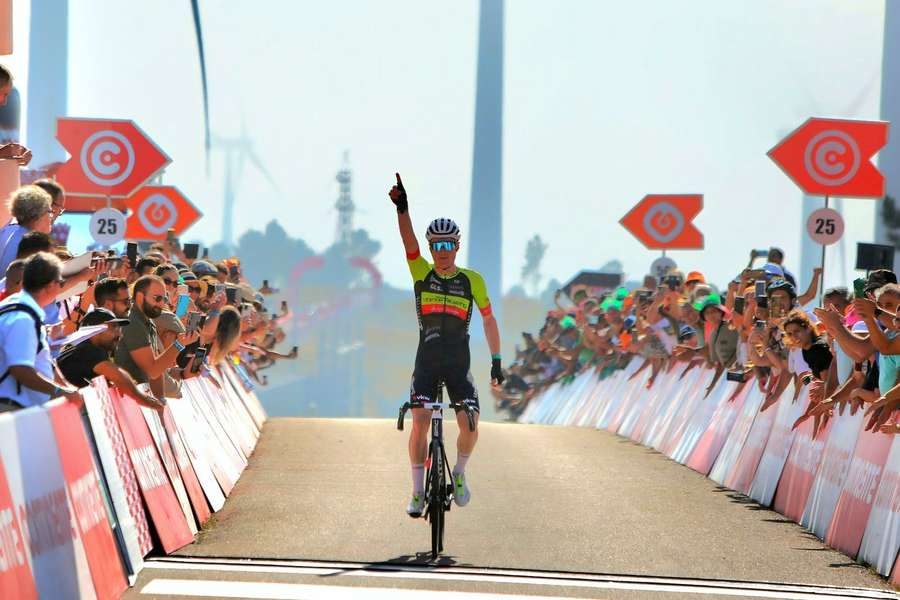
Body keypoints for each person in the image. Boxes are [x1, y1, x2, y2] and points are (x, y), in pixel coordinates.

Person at [388, 173, 504, 518]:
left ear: (456, 246)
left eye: (446, 245)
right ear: (430, 249)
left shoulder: (473, 281)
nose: (440, 252)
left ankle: (459, 474)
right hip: (426, 361)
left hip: (458, 363)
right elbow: (407, 241)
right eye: (435, 246)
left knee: (470, 423)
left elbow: (488, 320)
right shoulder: (421, 272)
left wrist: (497, 360)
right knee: (420, 421)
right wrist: (402, 209)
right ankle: (416, 492)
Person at [0, 252, 80, 412]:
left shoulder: (21, 308)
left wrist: (65, 386)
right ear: (50, 285)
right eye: (61, 282)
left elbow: (40, 358)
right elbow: (20, 369)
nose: (61, 287)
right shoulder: (23, 318)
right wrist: (59, 391)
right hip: (10, 409)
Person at [57, 308, 164, 410]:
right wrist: (141, 398)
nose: (119, 334)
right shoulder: (90, 349)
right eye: (113, 327)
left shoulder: (79, 347)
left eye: (119, 328)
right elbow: (116, 375)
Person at [114, 275, 199, 400]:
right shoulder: (132, 321)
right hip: (121, 400)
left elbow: (158, 370)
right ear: (139, 297)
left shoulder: (147, 321)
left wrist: (183, 373)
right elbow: (152, 371)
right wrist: (179, 345)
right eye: (157, 298)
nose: (161, 303)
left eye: (164, 299)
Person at [0, 185, 53, 276]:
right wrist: (81, 277)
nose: (51, 217)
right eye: (50, 211)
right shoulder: (32, 243)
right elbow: (44, 287)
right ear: (37, 215)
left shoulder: (10, 232)